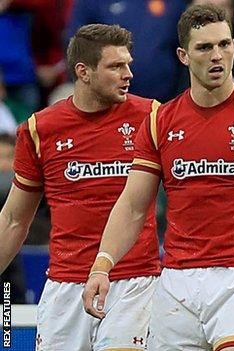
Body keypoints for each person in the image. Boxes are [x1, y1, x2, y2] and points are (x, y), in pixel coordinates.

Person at [82, 4, 234, 350]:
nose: (217, 56)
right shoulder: (161, 122)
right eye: (204, 47)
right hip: (176, 282)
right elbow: (132, 206)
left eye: (224, 44)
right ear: (183, 55)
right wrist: (102, 265)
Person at [0, 24, 160, 350]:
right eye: (116, 66)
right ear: (83, 72)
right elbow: (15, 220)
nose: (128, 74)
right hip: (65, 285)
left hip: (134, 282)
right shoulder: (38, 130)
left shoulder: (152, 117)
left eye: (128, 64)